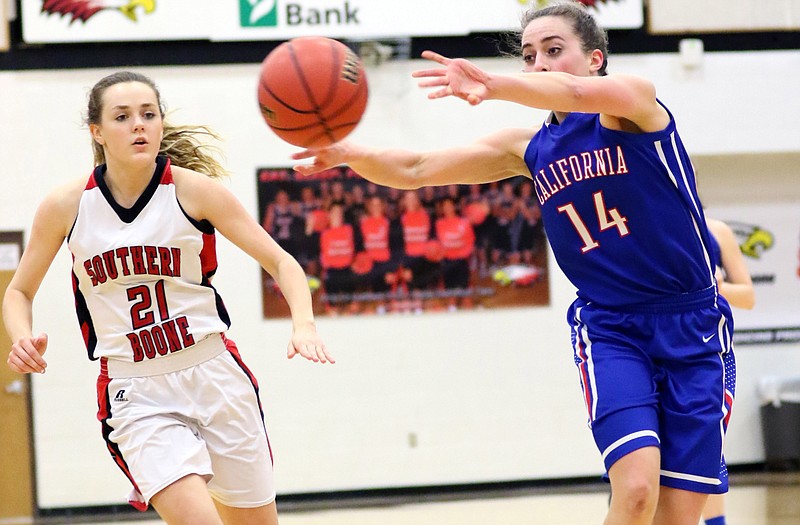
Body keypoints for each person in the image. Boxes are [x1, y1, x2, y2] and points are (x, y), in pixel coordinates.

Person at [293, 3, 735, 524]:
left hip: (695, 324)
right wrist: (348, 152)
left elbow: (573, 94)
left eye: (554, 51)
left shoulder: (635, 104)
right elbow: (416, 168)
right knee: (636, 489)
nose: (540, 65)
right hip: (613, 327)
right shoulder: (530, 147)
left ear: (595, 59)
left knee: (678, 517)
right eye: (530, 56)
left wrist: (492, 84)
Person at [3, 71, 334, 525]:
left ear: (160, 124)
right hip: (136, 390)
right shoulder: (66, 205)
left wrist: (304, 325)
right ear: (97, 132)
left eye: (148, 114)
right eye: (122, 117)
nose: (138, 125)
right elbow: (19, 291)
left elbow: (283, 262)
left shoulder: (194, 191)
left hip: (215, 374)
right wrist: (19, 336)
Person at [701, 218, 755, 525]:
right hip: (648, 345)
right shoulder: (645, 219)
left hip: (705, 350)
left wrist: (718, 287)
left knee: (707, 447)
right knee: (647, 452)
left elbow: (748, 296)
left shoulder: (717, 231)